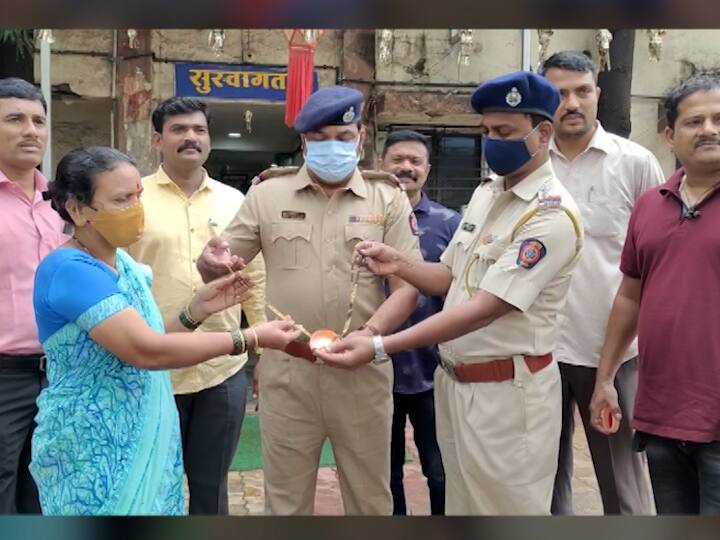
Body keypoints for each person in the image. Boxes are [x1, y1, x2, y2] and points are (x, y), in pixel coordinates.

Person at [316, 72, 584, 515]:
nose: (491, 142)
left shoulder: (551, 215)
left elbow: (484, 308)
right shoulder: (487, 195)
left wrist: (381, 344)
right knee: (462, 506)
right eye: (486, 132)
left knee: (505, 511)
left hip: (508, 394)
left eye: (504, 133)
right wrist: (398, 263)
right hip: (455, 384)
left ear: (543, 134)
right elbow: (450, 277)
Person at [33, 146, 300, 515]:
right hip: (94, 441)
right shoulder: (71, 269)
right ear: (77, 209)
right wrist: (250, 338)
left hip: (139, 430)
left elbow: (151, 336)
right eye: (121, 199)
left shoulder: (122, 263)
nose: (136, 208)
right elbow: (145, 351)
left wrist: (197, 309)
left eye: (137, 196)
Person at [197, 86, 422, 515]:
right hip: (289, 373)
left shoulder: (386, 197)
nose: (331, 146)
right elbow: (224, 262)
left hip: (363, 372)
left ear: (360, 137)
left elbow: (407, 286)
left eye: (342, 135)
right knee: (284, 499)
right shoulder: (267, 195)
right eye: (319, 138)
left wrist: (370, 334)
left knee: (371, 497)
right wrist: (209, 263)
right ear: (303, 143)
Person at [127, 97, 267, 515]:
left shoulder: (234, 201)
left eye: (199, 130)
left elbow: (255, 277)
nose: (191, 137)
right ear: (157, 139)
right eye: (178, 129)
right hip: (151, 365)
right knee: (149, 482)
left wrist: (261, 350)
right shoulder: (131, 199)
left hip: (221, 367)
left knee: (211, 488)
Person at [538, 51, 662, 515]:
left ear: (597, 95)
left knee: (623, 486)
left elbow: (657, 260)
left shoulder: (635, 164)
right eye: (558, 93)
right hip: (539, 350)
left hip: (609, 351)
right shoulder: (528, 164)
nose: (571, 103)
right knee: (543, 481)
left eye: (582, 91)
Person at [590, 74, 720, 515]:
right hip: (662, 412)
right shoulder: (650, 204)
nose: (709, 129)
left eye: (719, 119)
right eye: (695, 120)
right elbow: (629, 295)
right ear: (670, 135)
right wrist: (605, 379)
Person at [379, 130, 460, 515]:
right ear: (382, 165)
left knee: (440, 469)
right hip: (376, 367)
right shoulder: (365, 220)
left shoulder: (450, 224)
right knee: (385, 471)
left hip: (433, 369)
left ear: (427, 170)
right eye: (397, 160)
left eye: (415, 161)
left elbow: (461, 293)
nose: (406, 168)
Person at [0, 77, 66, 515]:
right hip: (4, 376)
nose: (31, 130)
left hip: (61, 374)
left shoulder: (60, 201)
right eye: (15, 119)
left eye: (38, 121)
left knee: (47, 486)